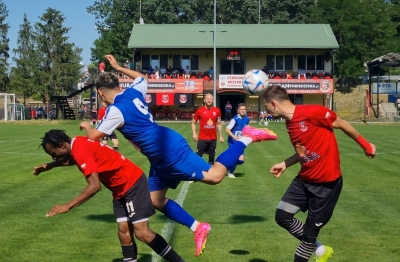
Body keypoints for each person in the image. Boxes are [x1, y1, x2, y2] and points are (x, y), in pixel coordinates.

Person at [79, 54, 278, 257]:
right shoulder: (132, 92)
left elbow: (94, 137)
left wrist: (86, 124)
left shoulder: (115, 110)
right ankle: (198, 227)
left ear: (100, 94)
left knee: (215, 176)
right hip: (159, 155)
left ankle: (247, 137)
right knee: (155, 200)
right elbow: (142, 78)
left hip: (168, 150)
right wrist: (119, 67)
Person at [33, 130, 186, 262]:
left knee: (142, 233)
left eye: (53, 154)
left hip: (131, 183)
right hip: (119, 189)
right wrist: (51, 166)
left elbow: (94, 186)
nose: (54, 157)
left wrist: (68, 205)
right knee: (123, 233)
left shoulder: (79, 149)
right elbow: (74, 159)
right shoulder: (76, 142)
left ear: (62, 146)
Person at [261, 85, 376, 262]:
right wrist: (285, 163)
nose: (266, 111)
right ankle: (321, 248)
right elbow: (304, 152)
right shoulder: (289, 123)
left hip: (326, 186)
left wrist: (366, 145)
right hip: (304, 180)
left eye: (266, 106)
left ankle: (314, 245)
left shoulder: (313, 112)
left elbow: (342, 124)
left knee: (308, 237)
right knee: (282, 216)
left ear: (274, 104)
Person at [192, 94, 224, 165]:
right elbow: (193, 123)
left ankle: (209, 174)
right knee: (198, 157)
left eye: (210, 99)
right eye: (207, 99)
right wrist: (194, 133)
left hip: (213, 139)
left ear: (213, 100)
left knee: (211, 159)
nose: (209, 100)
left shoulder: (217, 111)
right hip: (202, 139)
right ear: (204, 100)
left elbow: (218, 124)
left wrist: (221, 135)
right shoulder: (200, 111)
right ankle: (197, 174)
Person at [225, 103, 250, 178]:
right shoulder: (234, 119)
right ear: (238, 110)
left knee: (241, 160)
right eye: (241, 109)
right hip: (232, 141)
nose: (243, 111)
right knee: (236, 157)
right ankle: (230, 173)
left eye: (244, 109)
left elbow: (246, 129)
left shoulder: (247, 119)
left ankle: (228, 163)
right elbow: (227, 130)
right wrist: (234, 137)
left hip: (241, 142)